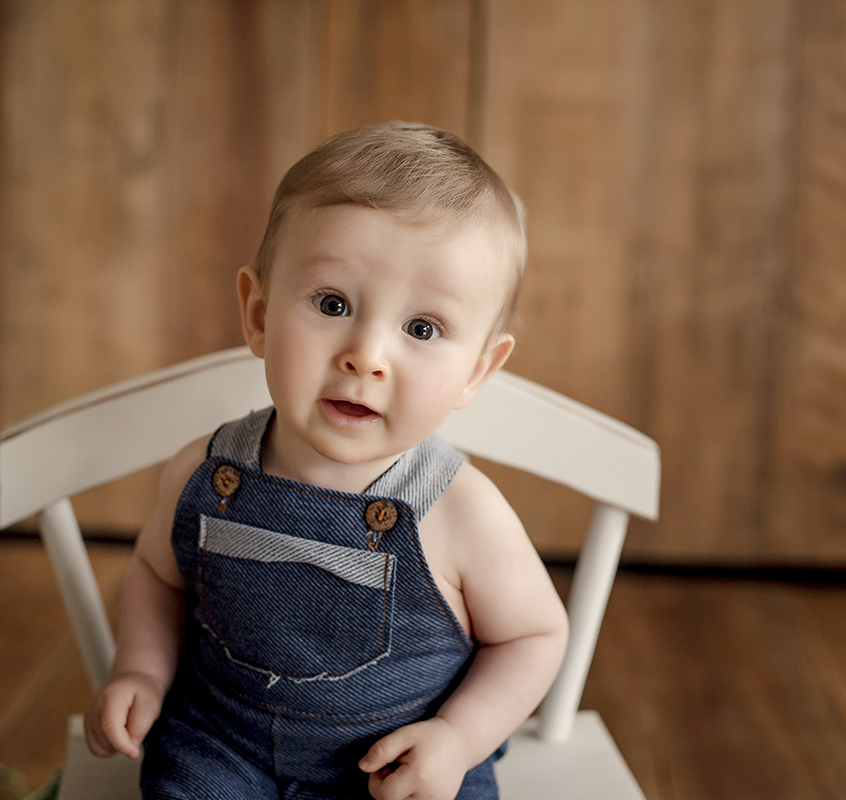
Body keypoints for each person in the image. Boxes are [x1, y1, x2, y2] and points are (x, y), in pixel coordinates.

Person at [84, 121, 569, 800]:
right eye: (332, 303)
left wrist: (459, 736)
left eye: (422, 329)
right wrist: (139, 671)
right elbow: (156, 575)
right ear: (257, 314)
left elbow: (536, 635)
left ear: (477, 372)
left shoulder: (461, 510)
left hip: (392, 763)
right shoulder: (206, 469)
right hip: (223, 740)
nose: (366, 355)